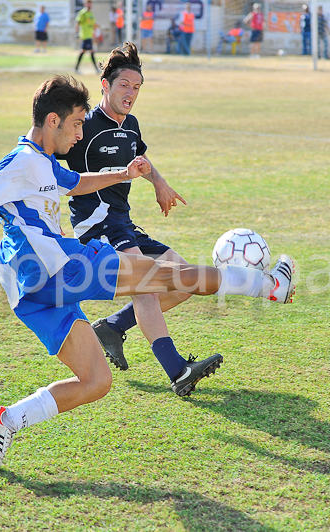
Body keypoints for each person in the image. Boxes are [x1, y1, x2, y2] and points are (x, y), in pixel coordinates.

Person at [0, 75, 296, 472]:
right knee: (167, 275)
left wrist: (125, 173)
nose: (80, 133)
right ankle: (268, 287)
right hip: (54, 267)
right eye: (76, 124)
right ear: (53, 121)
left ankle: (7, 419)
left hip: (28, 288)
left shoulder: (43, 161)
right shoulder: (22, 161)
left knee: (96, 381)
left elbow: (75, 183)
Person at [59, 43, 205, 393]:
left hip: (124, 224)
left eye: (137, 87)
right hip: (97, 224)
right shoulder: (85, 126)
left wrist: (160, 183)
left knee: (182, 279)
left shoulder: (131, 125)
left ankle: (112, 326)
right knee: (147, 283)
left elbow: (141, 160)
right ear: (105, 86)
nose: (131, 93)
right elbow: (52, 154)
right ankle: (177, 371)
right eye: (124, 85)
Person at [74, 0, 97, 74]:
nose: (89, 4)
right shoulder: (83, 13)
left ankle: (76, 68)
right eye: (88, 3)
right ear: (85, 4)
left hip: (89, 35)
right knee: (90, 51)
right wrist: (77, 33)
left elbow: (93, 24)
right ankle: (96, 69)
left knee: (85, 51)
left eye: (90, 3)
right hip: (84, 35)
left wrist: (99, 27)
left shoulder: (91, 14)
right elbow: (77, 22)